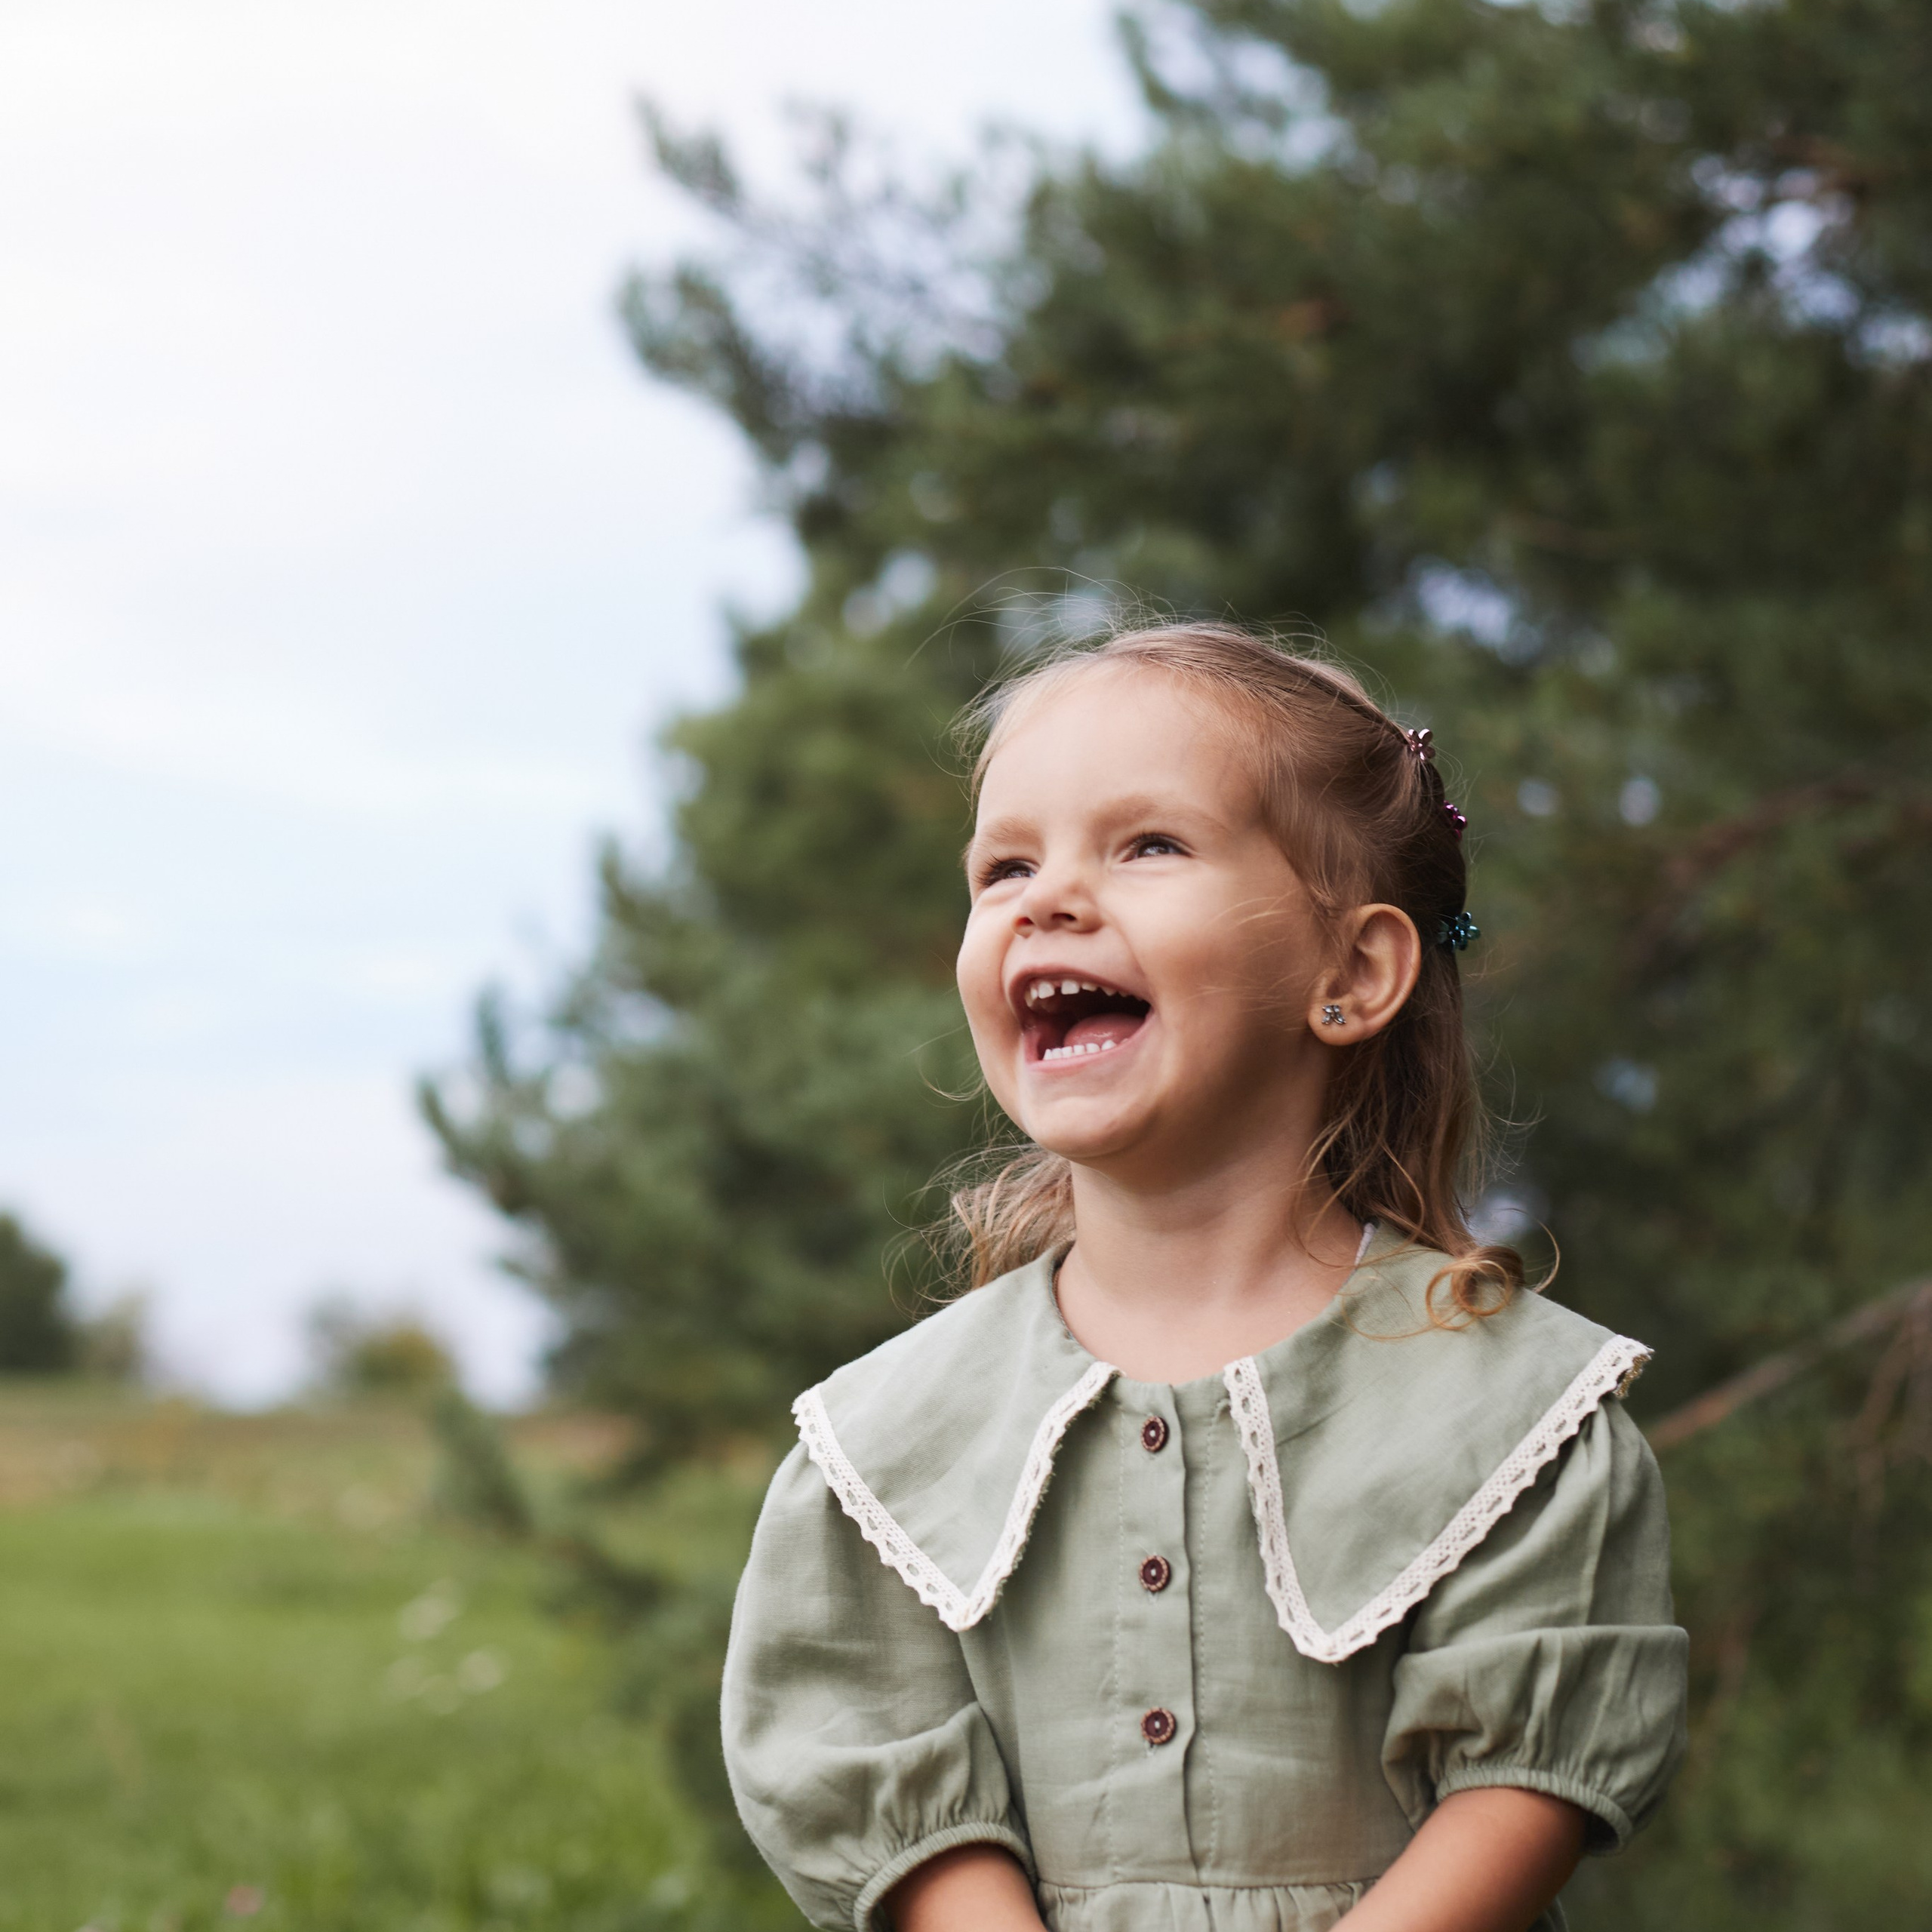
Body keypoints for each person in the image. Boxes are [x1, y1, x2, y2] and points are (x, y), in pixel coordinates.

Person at [721, 623, 1687, 1932]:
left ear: (1351, 972)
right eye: (1005, 863)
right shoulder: (892, 1442)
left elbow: (1524, 1788)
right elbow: (868, 1759)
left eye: (1148, 845)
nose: (1047, 899)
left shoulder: (1511, 1414)